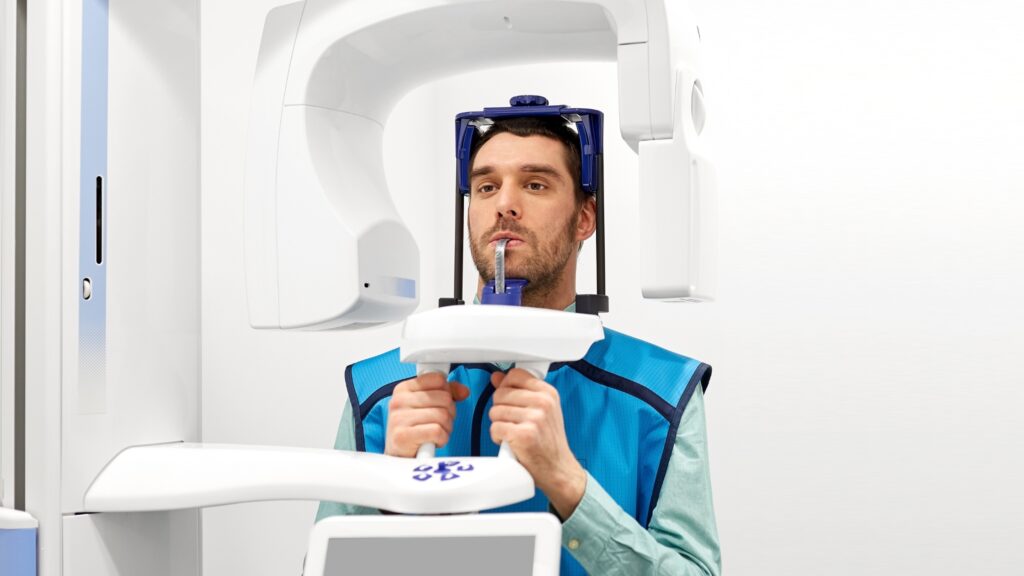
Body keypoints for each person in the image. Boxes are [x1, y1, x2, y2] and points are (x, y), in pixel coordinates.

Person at [317, 115, 721, 575]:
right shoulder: (379, 393)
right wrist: (388, 494)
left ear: (584, 217)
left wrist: (570, 486)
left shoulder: (664, 390)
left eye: (534, 185)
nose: (505, 204)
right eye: (486, 188)